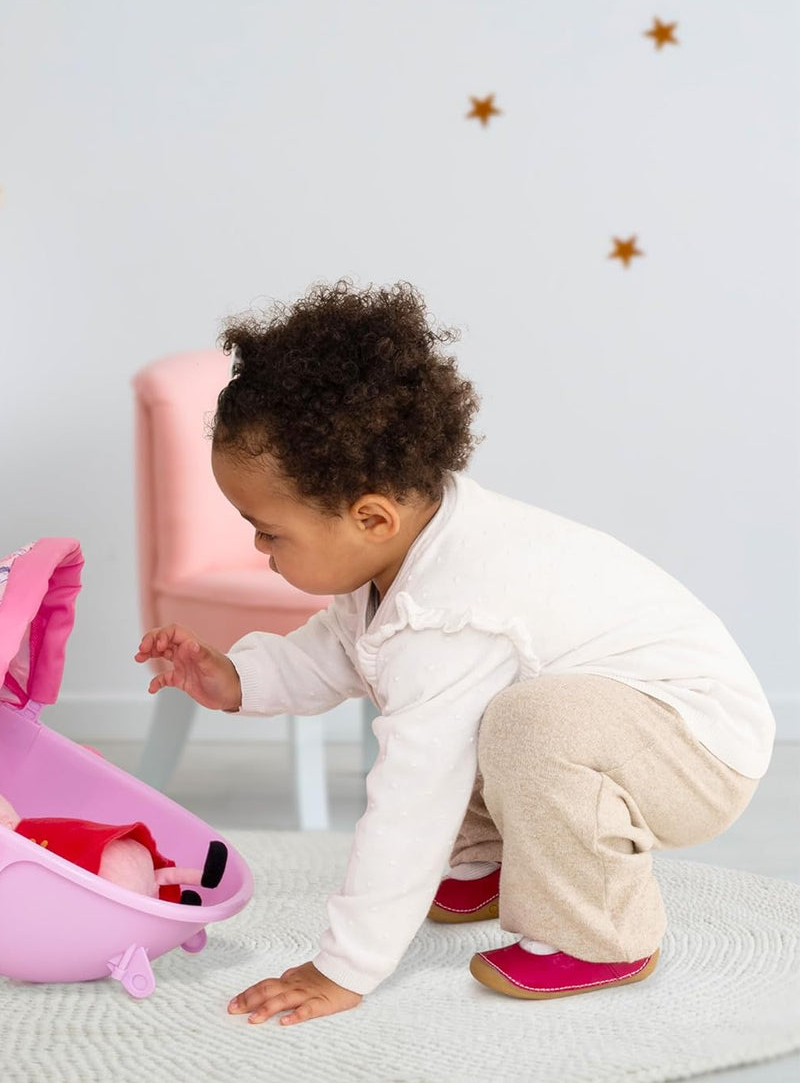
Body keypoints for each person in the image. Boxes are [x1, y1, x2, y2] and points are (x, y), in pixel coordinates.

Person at [134, 281, 774, 1026]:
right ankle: (486, 867)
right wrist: (236, 676)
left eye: (270, 532)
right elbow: (338, 652)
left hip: (697, 750)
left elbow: (412, 796)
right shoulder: (402, 549)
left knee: (519, 721)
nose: (257, 548)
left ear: (371, 516)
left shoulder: (452, 611)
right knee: (475, 705)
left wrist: (344, 967)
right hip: (626, 718)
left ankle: (604, 936)